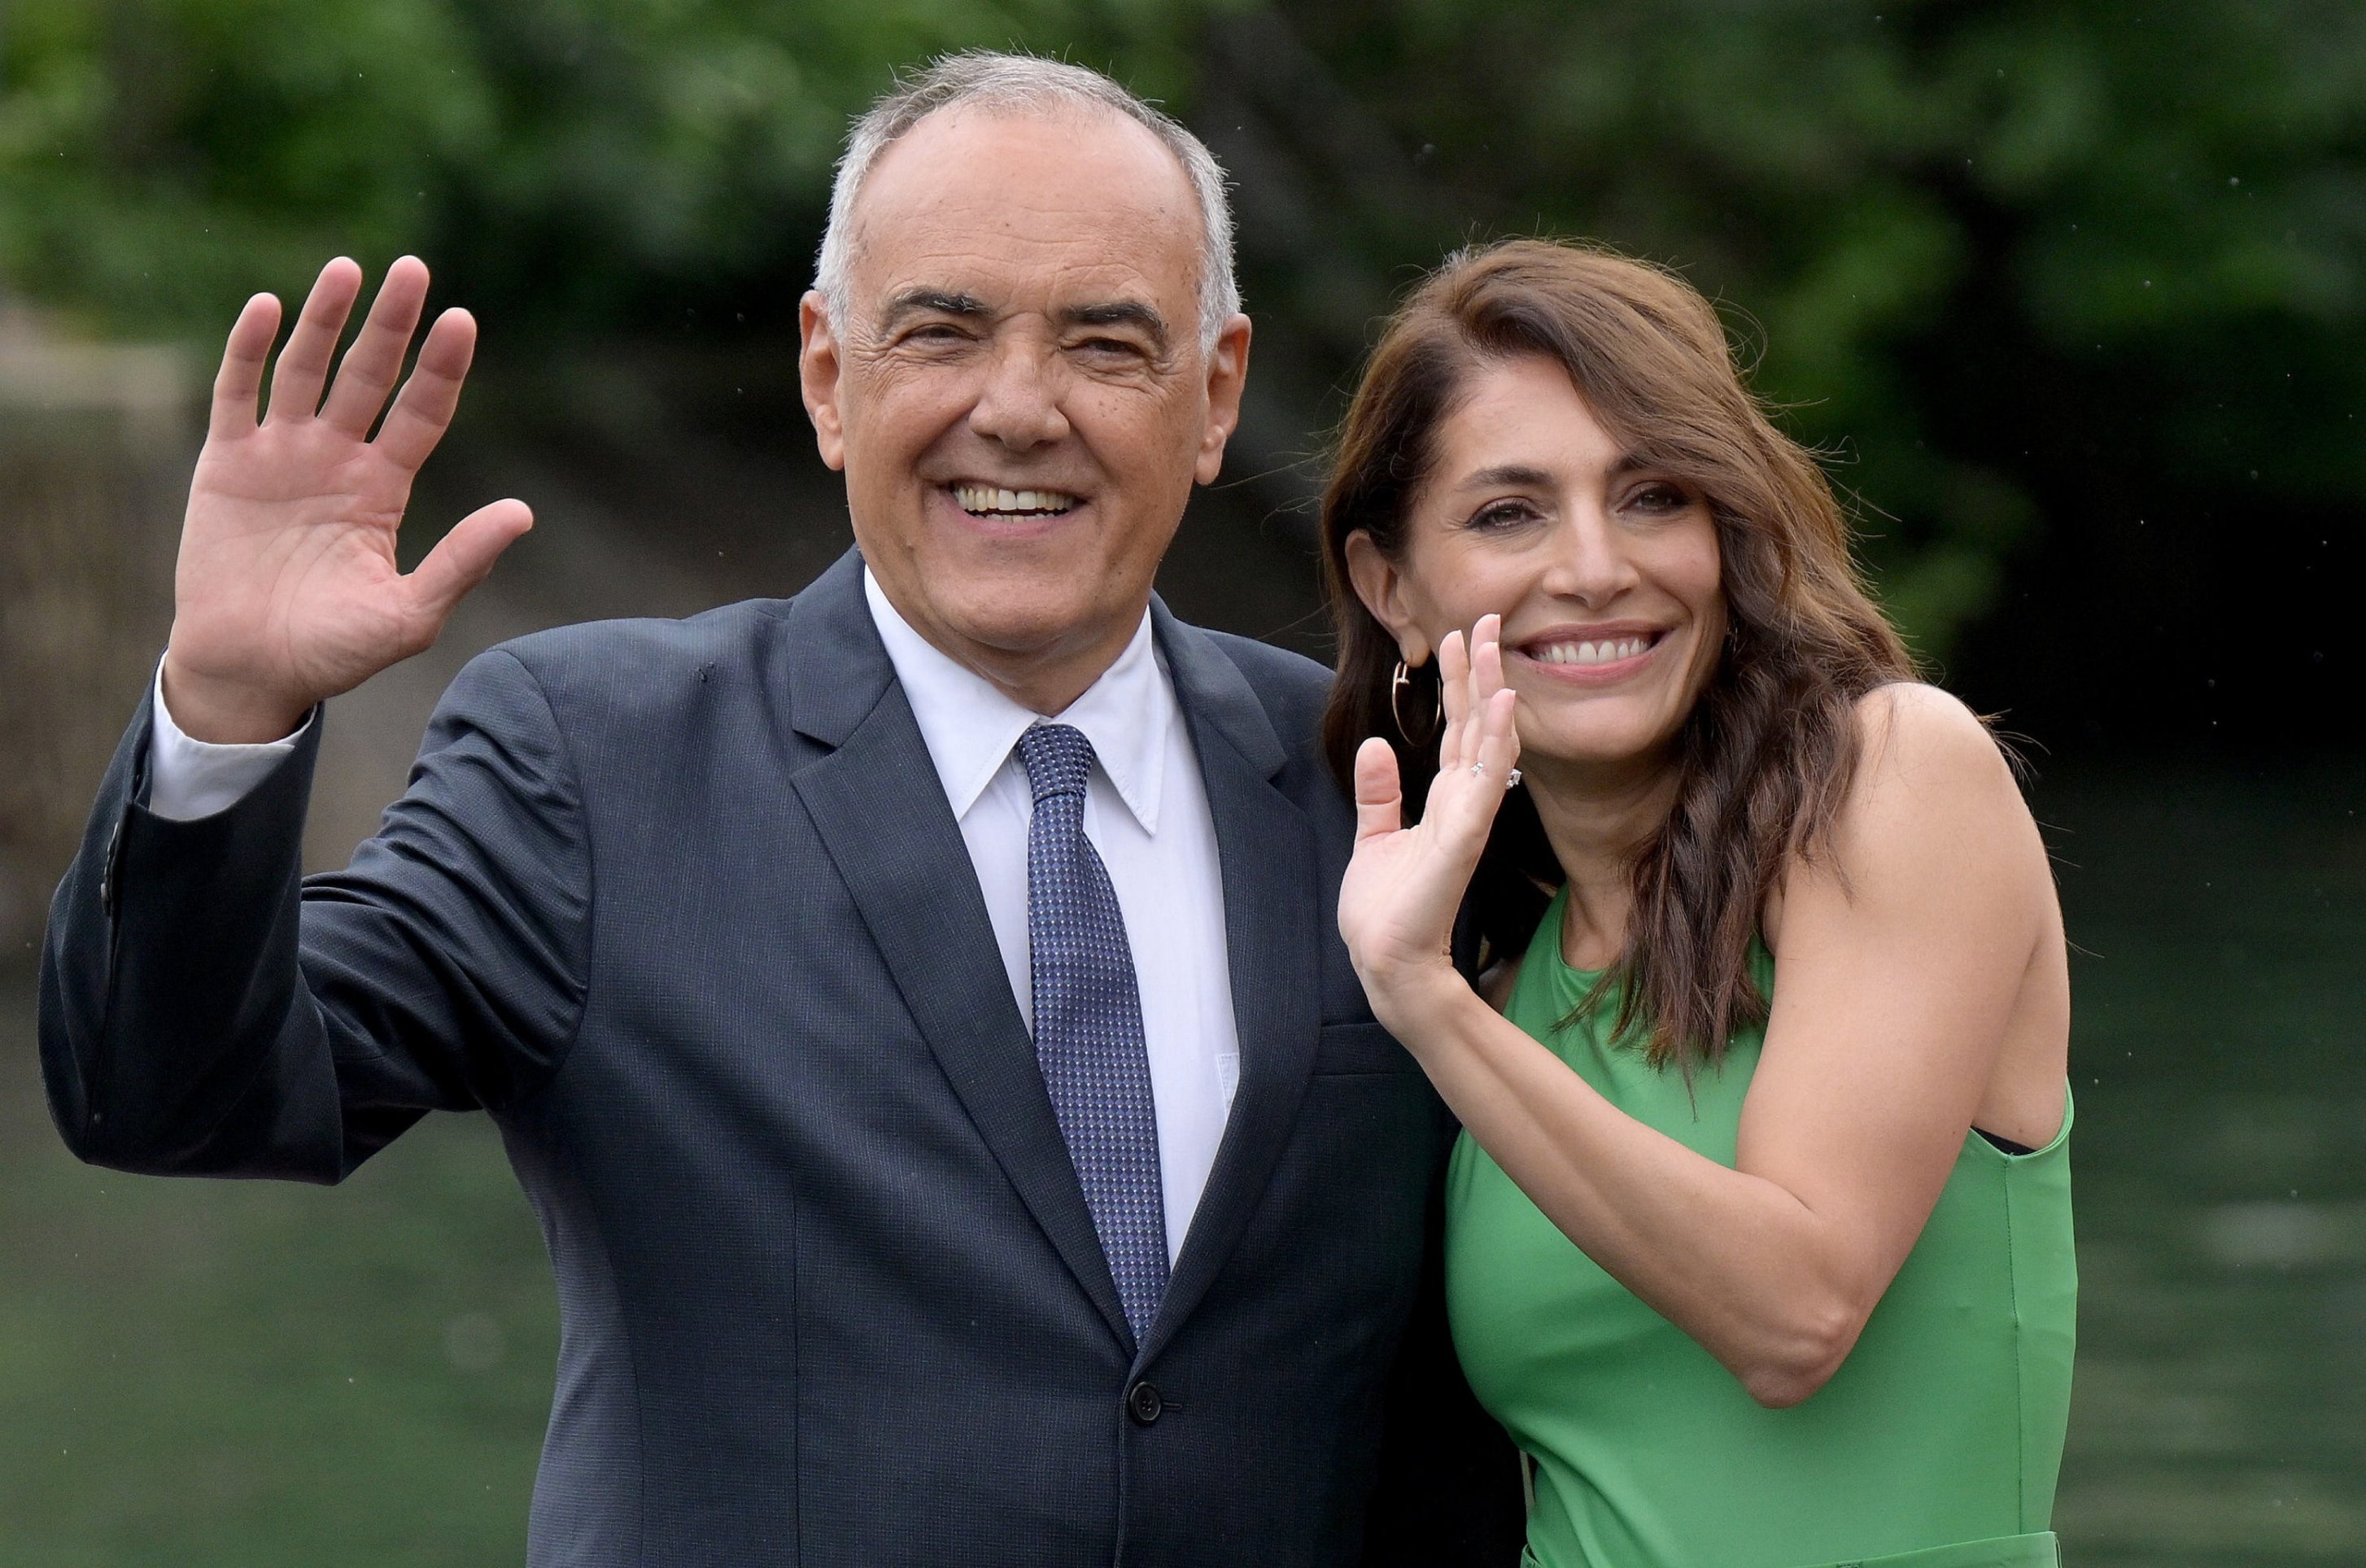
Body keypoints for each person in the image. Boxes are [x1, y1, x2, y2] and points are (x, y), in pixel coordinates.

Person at [40, 54, 1517, 1567]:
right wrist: (223, 713)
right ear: (827, 376)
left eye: (1104, 344)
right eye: (940, 331)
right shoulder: (594, 761)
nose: (1017, 409)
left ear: (1214, 398)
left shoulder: (1376, 773)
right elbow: (176, 1098)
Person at [1320, 240, 2076, 1568]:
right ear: (1393, 588)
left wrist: (1421, 999)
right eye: (1510, 514)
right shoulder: (1510, 986)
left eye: (1654, 495)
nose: (1598, 567)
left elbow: (1799, 1313)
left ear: (1727, 528)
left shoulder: (1898, 778)